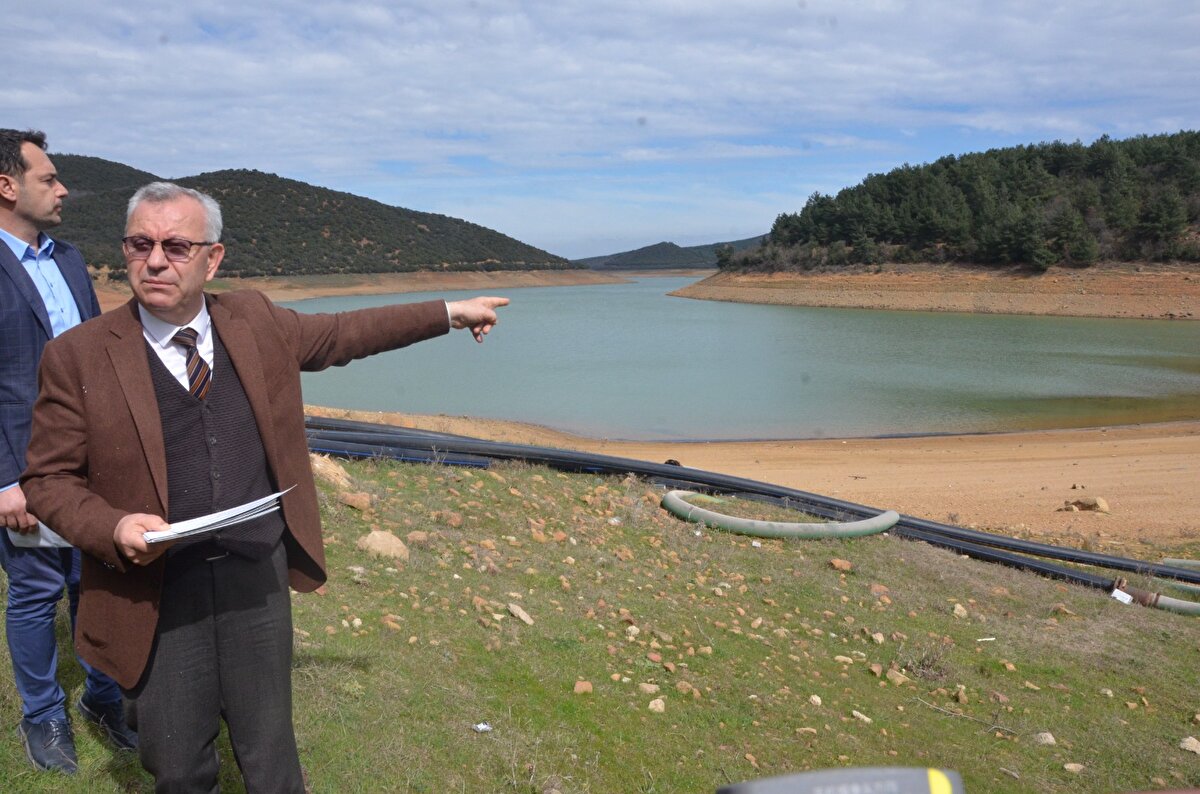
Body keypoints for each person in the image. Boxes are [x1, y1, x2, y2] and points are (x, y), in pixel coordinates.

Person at [21, 180, 507, 791]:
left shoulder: (252, 319)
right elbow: (47, 479)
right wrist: (113, 527)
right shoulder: (79, 355)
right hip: (157, 587)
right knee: (176, 761)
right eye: (140, 244)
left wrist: (448, 313)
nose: (154, 261)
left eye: (176, 246)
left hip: (256, 572)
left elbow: (342, 335)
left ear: (212, 258)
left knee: (270, 748)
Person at [0, 129, 137, 774]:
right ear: (8, 185)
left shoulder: (70, 260)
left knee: (95, 580)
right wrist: (6, 481)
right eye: (49, 178)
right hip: (23, 472)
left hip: (90, 464)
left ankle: (103, 697)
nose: (62, 189)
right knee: (34, 591)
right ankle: (43, 714)